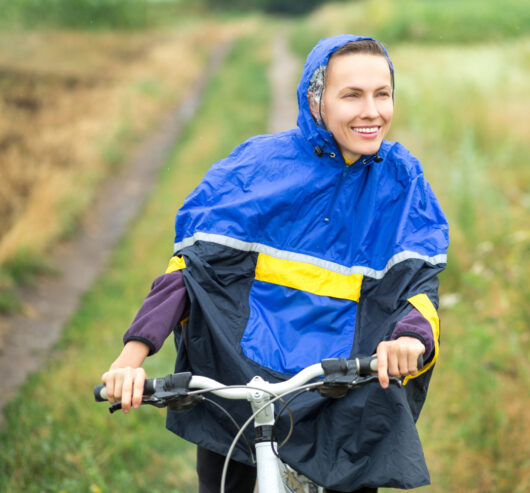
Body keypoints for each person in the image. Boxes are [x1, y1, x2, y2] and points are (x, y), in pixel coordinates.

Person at [101, 34, 448, 493]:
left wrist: (409, 338)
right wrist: (132, 356)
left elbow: (419, 289)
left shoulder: (402, 180)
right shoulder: (254, 168)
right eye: (352, 95)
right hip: (244, 394)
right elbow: (192, 273)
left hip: (343, 395)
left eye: (382, 94)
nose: (372, 112)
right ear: (316, 99)